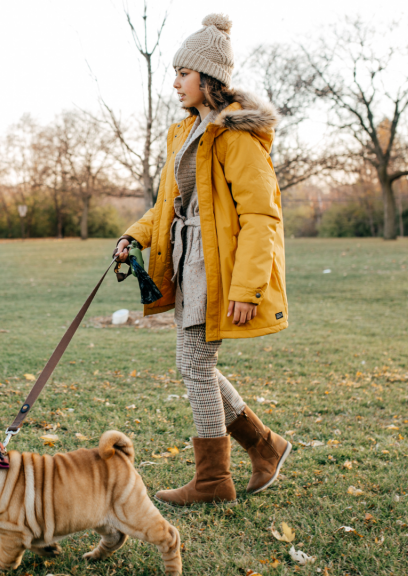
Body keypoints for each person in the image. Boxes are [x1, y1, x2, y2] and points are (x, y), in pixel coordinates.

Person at [114, 13, 291, 506]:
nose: (175, 83)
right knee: (197, 366)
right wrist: (134, 237)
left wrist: (246, 289)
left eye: (183, 74)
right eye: (174, 73)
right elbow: (166, 207)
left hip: (220, 269)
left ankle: (215, 480)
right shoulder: (185, 134)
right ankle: (265, 447)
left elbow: (261, 217)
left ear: (208, 78)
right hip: (188, 262)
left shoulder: (236, 136)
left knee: (194, 364)